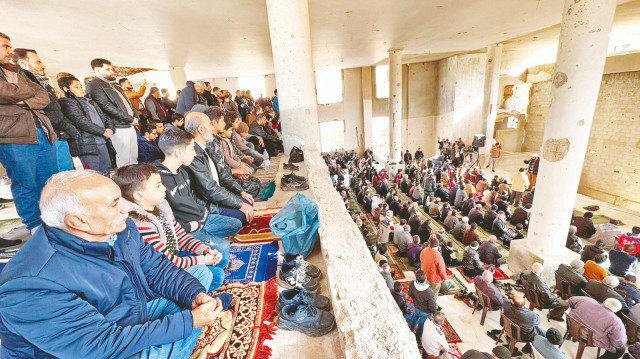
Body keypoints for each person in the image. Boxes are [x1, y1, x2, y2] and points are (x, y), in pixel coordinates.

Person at [0, 170, 231, 358]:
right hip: (95, 348)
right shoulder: (30, 285)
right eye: (113, 204)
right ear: (78, 221)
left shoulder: (120, 229)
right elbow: (99, 346)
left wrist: (193, 295)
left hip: (126, 315)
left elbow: (158, 269)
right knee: (184, 323)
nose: (127, 207)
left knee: (198, 280)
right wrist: (189, 321)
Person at [113, 164, 228, 287]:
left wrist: (205, 250)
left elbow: (180, 236)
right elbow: (167, 262)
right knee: (214, 275)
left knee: (223, 258)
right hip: (162, 271)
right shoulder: (139, 224)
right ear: (139, 195)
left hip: (174, 256)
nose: (164, 188)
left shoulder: (162, 206)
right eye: (158, 186)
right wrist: (203, 261)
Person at [0, 32, 58, 239]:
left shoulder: (20, 73)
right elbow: (5, 93)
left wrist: (24, 101)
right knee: (25, 183)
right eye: (5, 46)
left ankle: (53, 223)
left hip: (42, 131)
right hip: (14, 137)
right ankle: (35, 227)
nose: (10, 50)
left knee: (50, 182)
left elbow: (43, 96)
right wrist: (22, 93)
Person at [155, 127, 241, 256]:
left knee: (236, 224)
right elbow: (161, 220)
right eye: (191, 149)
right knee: (223, 248)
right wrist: (189, 227)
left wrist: (203, 214)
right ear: (178, 152)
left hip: (202, 219)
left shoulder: (183, 170)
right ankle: (196, 246)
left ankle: (205, 241)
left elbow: (192, 197)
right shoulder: (157, 180)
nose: (195, 153)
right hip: (186, 228)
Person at [183, 110, 255, 226]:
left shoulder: (204, 147)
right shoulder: (193, 154)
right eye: (210, 124)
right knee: (242, 215)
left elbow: (221, 173)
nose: (213, 128)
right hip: (206, 203)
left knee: (247, 201)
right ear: (201, 130)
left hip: (215, 195)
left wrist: (240, 192)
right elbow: (210, 189)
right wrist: (240, 205)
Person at [13, 48, 78, 172]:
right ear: (23, 63)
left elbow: (55, 111)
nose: (44, 66)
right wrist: (67, 127)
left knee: (68, 175)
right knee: (57, 179)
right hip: (47, 136)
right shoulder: (21, 85)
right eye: (38, 62)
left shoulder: (45, 85)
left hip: (58, 134)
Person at [87, 58, 139, 167]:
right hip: (118, 126)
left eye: (112, 69)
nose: (112, 72)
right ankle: (124, 183)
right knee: (124, 160)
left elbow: (128, 103)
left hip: (129, 124)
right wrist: (130, 118)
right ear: (97, 70)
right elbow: (106, 106)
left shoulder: (114, 84)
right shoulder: (94, 84)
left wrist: (135, 115)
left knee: (133, 158)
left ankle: (134, 181)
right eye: (108, 69)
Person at [58, 75, 113, 177]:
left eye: (81, 86)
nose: (81, 89)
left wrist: (109, 128)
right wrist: (102, 131)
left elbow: (104, 116)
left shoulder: (90, 101)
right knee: (93, 174)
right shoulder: (68, 102)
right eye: (76, 87)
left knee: (106, 169)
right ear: (66, 89)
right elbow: (80, 120)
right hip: (87, 144)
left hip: (102, 141)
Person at [408, 270, 437, 338]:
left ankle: (409, 331)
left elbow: (410, 294)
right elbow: (432, 305)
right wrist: (434, 312)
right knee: (421, 324)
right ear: (425, 278)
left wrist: (415, 300)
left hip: (416, 306)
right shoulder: (429, 291)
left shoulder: (412, 283)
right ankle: (418, 338)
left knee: (414, 318)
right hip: (425, 311)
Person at [420, 236, 447, 303]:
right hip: (434, 278)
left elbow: (421, 260)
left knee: (426, 289)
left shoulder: (424, 250)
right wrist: (445, 278)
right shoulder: (437, 255)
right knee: (434, 293)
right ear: (437, 246)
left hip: (425, 274)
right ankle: (432, 306)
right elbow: (441, 269)